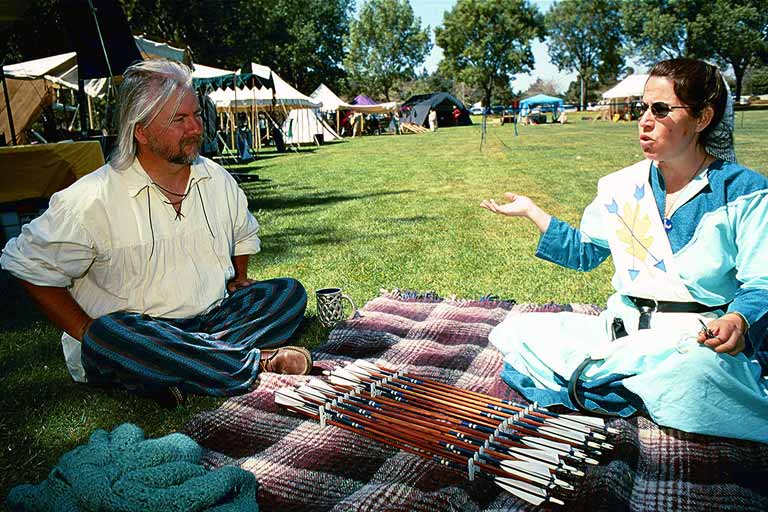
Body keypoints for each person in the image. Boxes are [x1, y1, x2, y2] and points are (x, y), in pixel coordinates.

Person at [480, 58, 768, 442]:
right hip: (622, 330)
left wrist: (737, 322)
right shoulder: (622, 187)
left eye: (661, 109)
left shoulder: (745, 191)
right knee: (518, 330)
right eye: (643, 108)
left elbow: (761, 283)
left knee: (697, 375)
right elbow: (584, 252)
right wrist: (533, 212)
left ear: (702, 118)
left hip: (689, 341)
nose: (645, 120)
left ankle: (618, 381)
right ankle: (635, 383)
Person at [0, 60, 311, 406]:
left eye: (196, 115)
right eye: (179, 120)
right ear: (141, 130)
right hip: (138, 336)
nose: (195, 128)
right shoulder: (90, 198)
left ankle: (172, 371)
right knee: (108, 333)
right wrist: (84, 330)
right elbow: (26, 263)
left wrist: (239, 276)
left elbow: (243, 233)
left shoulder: (217, 179)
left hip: (211, 322)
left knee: (287, 293)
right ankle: (249, 362)